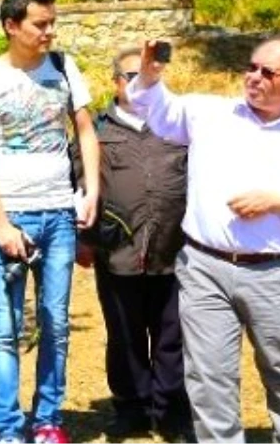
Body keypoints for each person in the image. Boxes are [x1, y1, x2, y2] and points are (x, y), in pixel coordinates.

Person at [127, 36, 280, 443]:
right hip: (204, 269)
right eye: (251, 67)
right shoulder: (210, 113)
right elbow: (153, 107)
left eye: (268, 72)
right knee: (209, 376)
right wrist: (149, 72)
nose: (254, 78)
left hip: (275, 274)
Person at [0, 0, 100, 444]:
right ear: (11, 26)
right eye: (40, 24)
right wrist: (1, 224)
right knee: (4, 329)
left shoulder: (63, 68)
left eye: (52, 23)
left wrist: (91, 192)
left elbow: (85, 132)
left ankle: (47, 421)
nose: (49, 32)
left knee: (55, 323)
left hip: (59, 214)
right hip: (11, 217)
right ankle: (6, 428)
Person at [89, 48, 192, 440]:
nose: (139, 83)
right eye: (130, 75)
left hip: (173, 249)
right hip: (116, 252)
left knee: (172, 336)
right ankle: (131, 408)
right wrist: (86, 240)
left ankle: (171, 412)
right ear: (114, 81)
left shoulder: (177, 125)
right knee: (125, 336)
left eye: (147, 74)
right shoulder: (96, 129)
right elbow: (81, 182)